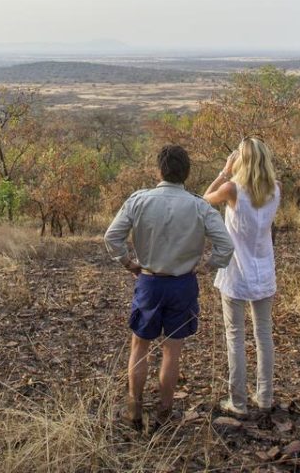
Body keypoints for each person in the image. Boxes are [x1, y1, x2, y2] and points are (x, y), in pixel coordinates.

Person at [104, 144, 235, 428]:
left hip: (149, 282)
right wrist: (208, 265)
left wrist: (128, 263)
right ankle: (164, 411)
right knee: (172, 351)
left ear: (159, 171)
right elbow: (226, 245)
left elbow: (112, 236)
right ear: (186, 173)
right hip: (183, 284)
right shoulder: (199, 205)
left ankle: (134, 409)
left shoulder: (139, 200)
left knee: (139, 346)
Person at [203, 137, 281, 417]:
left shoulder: (231, 189)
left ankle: (238, 401)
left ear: (241, 160)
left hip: (236, 272)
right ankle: (265, 397)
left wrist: (225, 171)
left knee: (235, 336)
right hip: (264, 270)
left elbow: (203, 202)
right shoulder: (276, 189)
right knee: (264, 335)